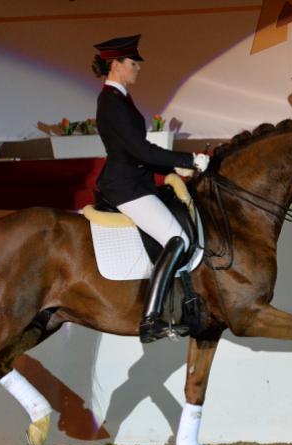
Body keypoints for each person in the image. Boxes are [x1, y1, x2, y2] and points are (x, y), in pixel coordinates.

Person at [91, 34, 209, 344]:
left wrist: (173, 168)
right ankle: (151, 318)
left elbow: (138, 153)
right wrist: (190, 159)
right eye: (133, 64)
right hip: (126, 186)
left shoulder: (120, 99)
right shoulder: (111, 101)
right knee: (178, 238)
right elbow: (138, 150)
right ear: (116, 65)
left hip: (135, 181)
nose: (137, 69)